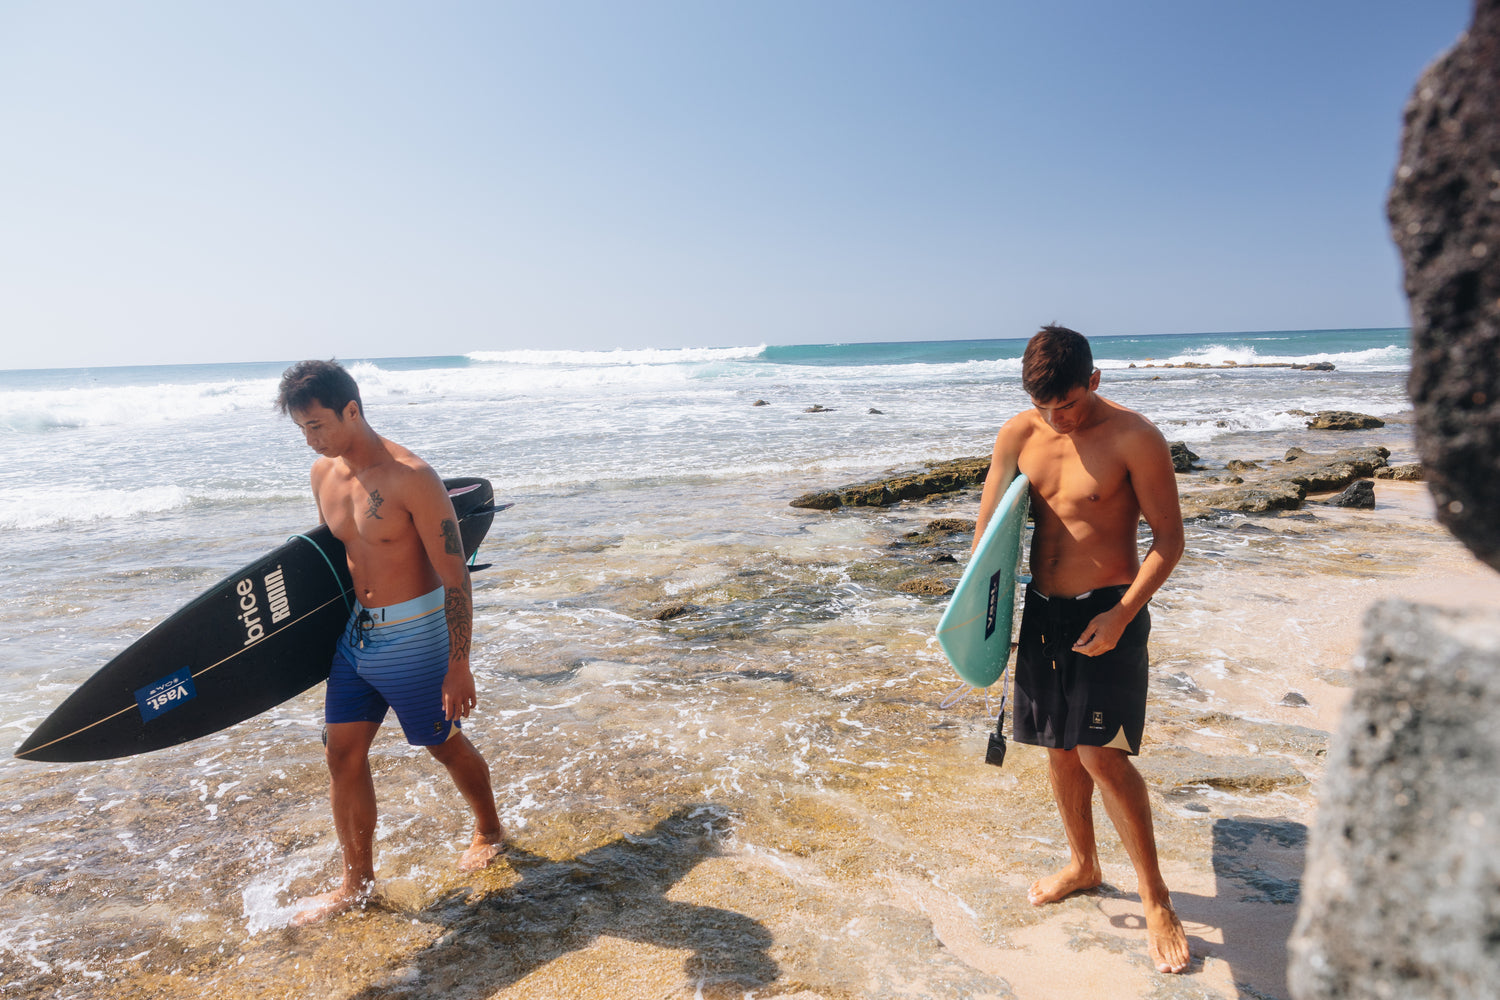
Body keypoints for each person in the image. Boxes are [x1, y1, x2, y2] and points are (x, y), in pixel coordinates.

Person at [972, 326, 1190, 974]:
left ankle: (1156, 900)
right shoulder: (1020, 435)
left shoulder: (1135, 438)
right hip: (1042, 614)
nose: (1055, 418)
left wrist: (1123, 616)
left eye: (1065, 404)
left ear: (1094, 381)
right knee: (1061, 751)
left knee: (1102, 753)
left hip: (1110, 610)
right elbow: (989, 541)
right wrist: (980, 626)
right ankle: (1084, 864)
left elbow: (1170, 540)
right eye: (1043, 406)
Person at [275, 359, 504, 926]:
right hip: (358, 636)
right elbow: (338, 561)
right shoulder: (323, 475)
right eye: (302, 429)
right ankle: (357, 885)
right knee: (342, 755)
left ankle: (490, 828)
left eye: (320, 425)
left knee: (442, 744)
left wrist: (459, 665)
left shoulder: (411, 479)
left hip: (417, 635)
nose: (312, 440)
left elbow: (456, 576)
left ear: (352, 409)